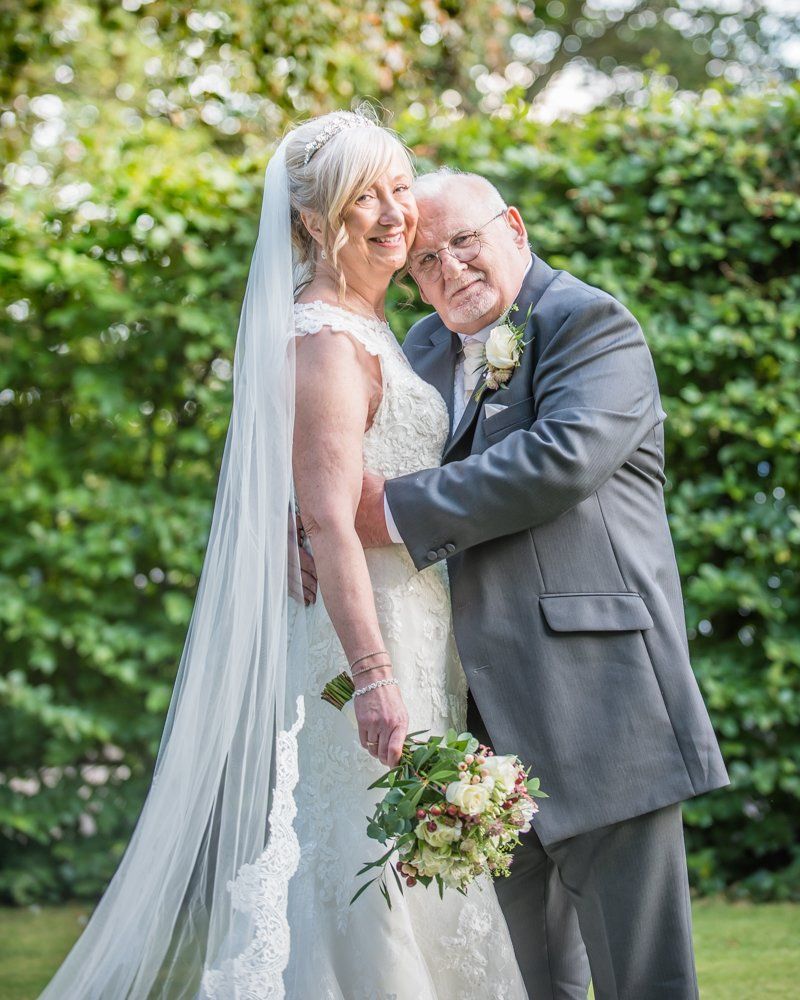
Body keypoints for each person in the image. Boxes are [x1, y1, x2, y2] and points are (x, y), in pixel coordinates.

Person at [40, 112, 528, 1000]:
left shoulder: (372, 325)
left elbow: (304, 485)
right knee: (368, 857)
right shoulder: (325, 340)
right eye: (360, 201)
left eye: (396, 186)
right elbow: (334, 523)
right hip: (365, 641)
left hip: (418, 626)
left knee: (408, 853)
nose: (392, 215)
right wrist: (374, 676)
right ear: (313, 222)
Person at [351, 167, 730, 1000]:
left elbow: (558, 460)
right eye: (423, 259)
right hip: (472, 710)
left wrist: (391, 513)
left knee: (644, 974)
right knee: (524, 977)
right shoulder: (417, 350)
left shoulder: (587, 322)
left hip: (599, 692)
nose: (447, 268)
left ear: (514, 228)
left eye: (464, 241)